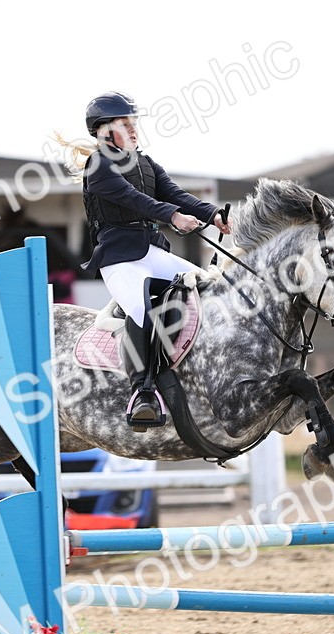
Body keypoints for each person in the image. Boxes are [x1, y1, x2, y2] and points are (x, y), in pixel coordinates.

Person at [65, 91, 231, 429]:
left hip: (152, 252)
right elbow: (133, 199)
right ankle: (141, 391)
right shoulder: (98, 166)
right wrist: (172, 217)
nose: (134, 127)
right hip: (119, 259)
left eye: (133, 122)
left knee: (211, 287)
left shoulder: (144, 162)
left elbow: (173, 193)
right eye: (126, 123)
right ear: (104, 130)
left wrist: (214, 214)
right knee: (140, 309)